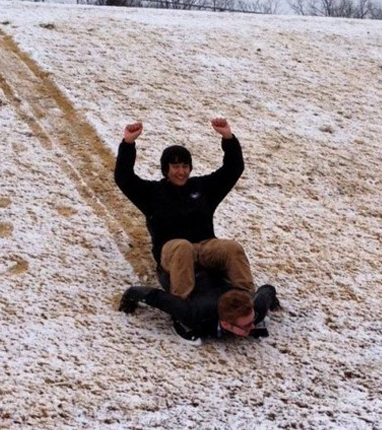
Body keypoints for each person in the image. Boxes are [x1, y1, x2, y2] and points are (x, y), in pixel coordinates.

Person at [114, 118, 254, 299]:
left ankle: (245, 300)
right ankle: (182, 302)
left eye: (185, 166)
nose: (181, 171)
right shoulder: (152, 193)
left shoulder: (202, 188)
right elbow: (123, 177)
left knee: (231, 248)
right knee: (183, 247)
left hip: (205, 247)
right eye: (176, 166)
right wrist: (128, 143)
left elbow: (233, 168)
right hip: (171, 252)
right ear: (166, 169)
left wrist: (227, 137)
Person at [119, 270, 280, 344]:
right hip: (178, 270)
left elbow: (267, 289)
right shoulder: (194, 316)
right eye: (246, 325)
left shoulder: (255, 311)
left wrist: (273, 302)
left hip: (211, 270)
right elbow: (155, 296)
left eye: (252, 321)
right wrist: (128, 301)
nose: (253, 325)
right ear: (225, 323)